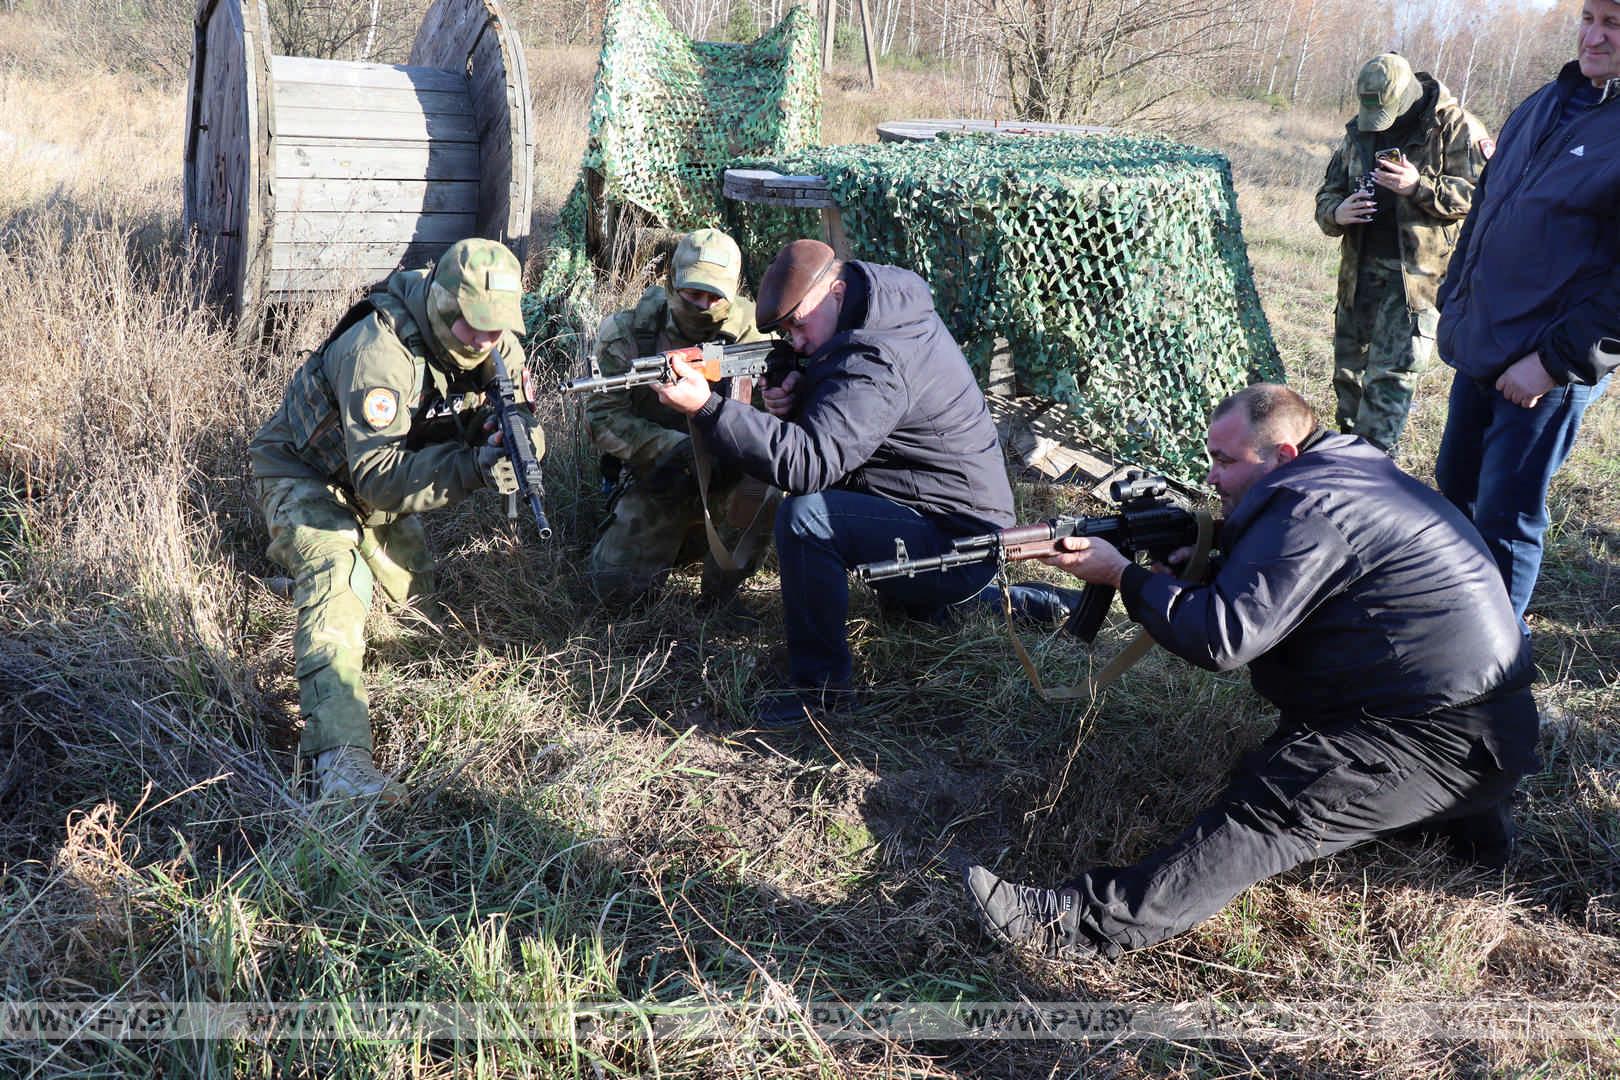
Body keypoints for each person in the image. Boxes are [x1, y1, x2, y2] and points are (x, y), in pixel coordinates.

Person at [963, 385, 1538, 959]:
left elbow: (1223, 637)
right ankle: (1466, 827)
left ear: (1283, 455)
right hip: (1477, 727)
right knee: (1302, 767)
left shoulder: (1312, 508)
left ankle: (1070, 926)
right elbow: (1297, 590)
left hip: (1441, 736)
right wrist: (1203, 569)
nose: (1212, 478)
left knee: (1276, 801)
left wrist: (1124, 578)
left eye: (1227, 462)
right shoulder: (1340, 475)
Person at [650, 238, 1073, 728]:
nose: (796, 341)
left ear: (835, 292)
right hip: (937, 512)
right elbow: (849, 421)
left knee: (807, 517)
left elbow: (808, 464)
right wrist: (796, 395)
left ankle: (822, 697)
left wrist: (707, 407)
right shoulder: (869, 311)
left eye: (798, 325)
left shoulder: (879, 356)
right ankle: (1028, 604)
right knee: (928, 613)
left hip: (963, 538)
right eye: (784, 332)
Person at [249, 238, 545, 803]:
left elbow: (504, 408)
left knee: (414, 609)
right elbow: (379, 478)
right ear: (442, 305)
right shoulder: (377, 352)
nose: (487, 342)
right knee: (338, 579)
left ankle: (295, 590)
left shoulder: (493, 336)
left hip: (379, 476)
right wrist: (474, 465)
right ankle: (342, 764)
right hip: (305, 474)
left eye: (496, 328)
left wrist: (515, 433)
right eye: (474, 328)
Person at [1433, 0, 1620, 627]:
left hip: (1545, 368)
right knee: (1454, 488)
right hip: (1485, 343)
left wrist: (1551, 364)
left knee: (1506, 519)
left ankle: (1489, 672)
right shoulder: (1545, 102)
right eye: (1590, 18)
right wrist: (1455, 298)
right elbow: (1486, 207)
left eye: (1614, 24)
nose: (1594, 36)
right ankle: (1442, 630)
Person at [584, 229, 775, 604]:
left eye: (714, 297)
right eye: (693, 294)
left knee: (766, 493)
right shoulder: (630, 333)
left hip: (731, 472)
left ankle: (721, 596)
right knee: (613, 592)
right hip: (658, 474)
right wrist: (677, 448)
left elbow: (778, 426)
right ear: (671, 282)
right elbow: (602, 418)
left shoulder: (754, 335)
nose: (703, 306)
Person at [1314, 53, 1491, 453]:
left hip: (1416, 280)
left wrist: (1418, 187)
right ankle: (1347, 459)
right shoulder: (1360, 130)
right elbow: (1328, 192)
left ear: (1408, 94)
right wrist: (1338, 212)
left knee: (1390, 376)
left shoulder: (1456, 127)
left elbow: (1485, 197)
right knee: (1349, 374)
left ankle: (1373, 470)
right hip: (1359, 273)